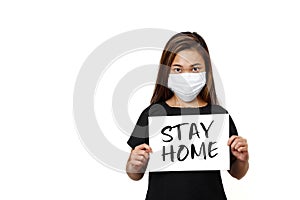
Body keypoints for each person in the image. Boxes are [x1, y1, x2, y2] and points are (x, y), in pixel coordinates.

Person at [125, 32, 249, 200]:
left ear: (206, 71)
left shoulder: (218, 115)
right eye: (178, 69)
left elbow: (237, 173)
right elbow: (135, 174)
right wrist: (134, 164)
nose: (186, 76)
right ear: (167, 71)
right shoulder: (152, 115)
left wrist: (241, 160)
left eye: (195, 68)